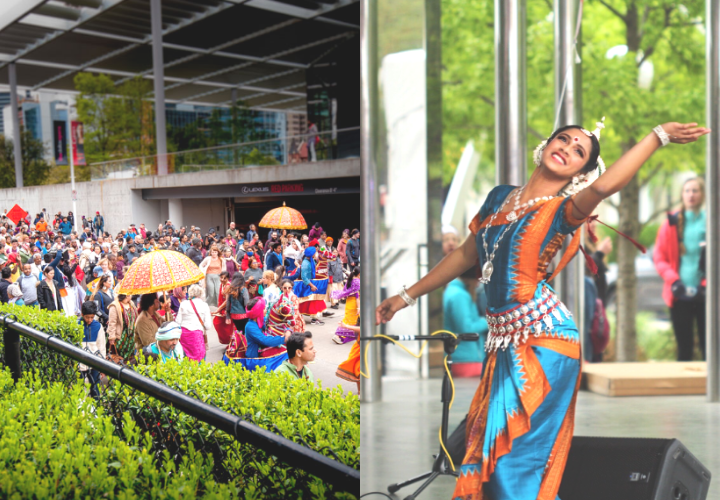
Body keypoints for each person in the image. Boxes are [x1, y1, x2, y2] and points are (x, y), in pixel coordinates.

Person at [376, 119, 708, 500]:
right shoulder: (499, 196)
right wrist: (406, 296)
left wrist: (658, 136)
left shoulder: (565, 209)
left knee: (510, 460)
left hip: (545, 343)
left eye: (579, 151)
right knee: (491, 457)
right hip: (503, 344)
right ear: (546, 144)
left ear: (581, 173)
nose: (567, 147)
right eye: (563, 139)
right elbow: (468, 254)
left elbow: (604, 186)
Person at [654, 176, 707, 362]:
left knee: (709, 347)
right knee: (684, 349)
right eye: (687, 191)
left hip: (706, 294)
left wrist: (707, 283)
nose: (691, 195)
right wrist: (673, 280)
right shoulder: (671, 222)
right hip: (679, 293)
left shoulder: (711, 221)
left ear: (703, 194)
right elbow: (659, 257)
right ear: (682, 195)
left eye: (695, 190)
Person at [443, 266, 489, 377]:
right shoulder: (459, 296)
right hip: (466, 359)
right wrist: (488, 321)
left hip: (464, 358)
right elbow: (466, 328)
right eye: (478, 280)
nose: (478, 284)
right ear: (470, 279)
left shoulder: (455, 292)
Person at [239, 297, 291, 371]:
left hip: (263, 352)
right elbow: (264, 340)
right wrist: (283, 339)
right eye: (263, 309)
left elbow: (276, 324)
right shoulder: (250, 326)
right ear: (258, 312)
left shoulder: (261, 320)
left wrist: (288, 330)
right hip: (255, 359)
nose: (265, 310)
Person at [176, 284, 213, 362]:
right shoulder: (204, 305)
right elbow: (208, 326)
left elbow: (177, 322)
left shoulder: (183, 304)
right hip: (197, 335)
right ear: (200, 293)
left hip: (184, 336)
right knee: (198, 358)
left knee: (186, 359)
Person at [79, 301, 106, 398]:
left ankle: (96, 407)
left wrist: (102, 365)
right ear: (82, 315)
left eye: (92, 317)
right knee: (79, 389)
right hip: (80, 362)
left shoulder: (98, 326)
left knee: (95, 388)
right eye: (87, 317)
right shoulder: (76, 325)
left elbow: (101, 347)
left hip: (94, 361)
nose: (90, 320)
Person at [331, 266, 360, 344]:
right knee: (349, 320)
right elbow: (357, 296)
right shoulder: (357, 282)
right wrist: (358, 307)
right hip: (354, 303)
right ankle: (337, 335)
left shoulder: (349, 280)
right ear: (359, 274)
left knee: (348, 318)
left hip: (349, 302)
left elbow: (345, 291)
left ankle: (346, 334)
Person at [107, 293, 138, 364]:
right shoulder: (115, 305)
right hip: (120, 337)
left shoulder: (131, 303)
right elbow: (112, 322)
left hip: (131, 337)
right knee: (119, 358)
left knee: (130, 358)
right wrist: (111, 337)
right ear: (127, 296)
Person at [335, 320, 361, 393]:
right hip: (360, 347)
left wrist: (346, 326)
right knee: (358, 371)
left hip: (369, 347)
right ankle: (360, 392)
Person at [213, 271, 234, 345]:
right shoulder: (222, 285)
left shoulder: (228, 286)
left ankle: (231, 342)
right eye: (221, 277)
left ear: (228, 278)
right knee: (219, 324)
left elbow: (227, 301)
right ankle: (229, 342)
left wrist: (218, 309)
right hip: (222, 309)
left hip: (227, 309)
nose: (222, 279)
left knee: (226, 327)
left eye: (224, 278)